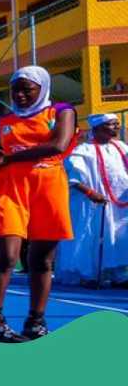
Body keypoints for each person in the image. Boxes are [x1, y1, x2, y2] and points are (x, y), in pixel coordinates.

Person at [0, 66, 77, 342]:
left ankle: (35, 321)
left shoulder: (61, 111)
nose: (20, 95)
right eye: (15, 90)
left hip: (48, 187)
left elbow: (58, 145)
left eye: (28, 90)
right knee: (7, 255)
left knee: (42, 260)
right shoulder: (5, 118)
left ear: (42, 88)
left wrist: (8, 158)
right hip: (11, 188)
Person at [58, 114, 128, 286]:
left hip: (119, 206)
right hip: (92, 204)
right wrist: (90, 193)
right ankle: (88, 274)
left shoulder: (122, 147)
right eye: (112, 124)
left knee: (118, 237)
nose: (117, 127)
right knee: (91, 236)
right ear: (97, 128)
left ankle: (117, 275)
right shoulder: (83, 151)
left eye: (117, 124)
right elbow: (73, 179)